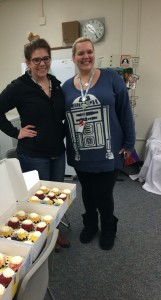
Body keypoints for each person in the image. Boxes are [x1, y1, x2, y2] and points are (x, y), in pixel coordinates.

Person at [0, 32, 69, 251]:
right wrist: (16, 133)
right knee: (39, 201)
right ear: (28, 62)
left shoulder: (56, 83)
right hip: (34, 154)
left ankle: (55, 231)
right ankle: (43, 239)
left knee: (57, 197)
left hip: (57, 151)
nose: (42, 64)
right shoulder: (19, 86)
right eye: (37, 60)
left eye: (46, 59)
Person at [62, 37, 135, 250]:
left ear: (94, 54)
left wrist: (129, 143)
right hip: (81, 153)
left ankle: (109, 228)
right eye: (80, 53)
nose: (85, 56)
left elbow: (124, 111)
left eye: (89, 52)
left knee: (103, 194)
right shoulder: (67, 87)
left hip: (109, 151)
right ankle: (91, 224)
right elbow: (62, 118)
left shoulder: (112, 78)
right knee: (87, 192)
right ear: (73, 57)